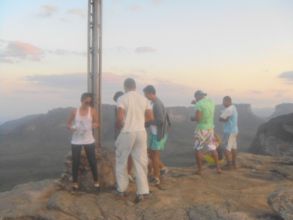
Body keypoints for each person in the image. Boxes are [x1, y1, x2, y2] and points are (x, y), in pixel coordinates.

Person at [115, 78, 153, 203]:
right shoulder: (144, 99)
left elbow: (120, 117)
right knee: (141, 161)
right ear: (135, 86)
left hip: (127, 132)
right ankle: (142, 191)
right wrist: (139, 122)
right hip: (141, 132)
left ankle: (122, 189)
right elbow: (150, 117)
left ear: (125, 86)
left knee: (121, 160)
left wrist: (120, 124)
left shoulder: (122, 98)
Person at [67, 93, 100, 190]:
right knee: (75, 161)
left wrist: (95, 125)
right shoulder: (74, 112)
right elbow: (68, 124)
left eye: (90, 102)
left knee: (92, 161)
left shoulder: (93, 111)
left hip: (88, 139)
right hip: (76, 140)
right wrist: (70, 128)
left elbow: (97, 123)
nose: (88, 104)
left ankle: (96, 182)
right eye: (86, 102)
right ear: (81, 100)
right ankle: (75, 183)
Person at [143, 85, 170, 185]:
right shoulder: (154, 103)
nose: (145, 96)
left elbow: (160, 120)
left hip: (158, 134)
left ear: (150, 93)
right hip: (156, 133)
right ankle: (162, 169)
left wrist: (148, 123)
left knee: (154, 156)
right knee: (151, 153)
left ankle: (156, 177)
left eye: (145, 94)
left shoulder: (157, 104)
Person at [191, 90, 221, 175]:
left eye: (195, 97)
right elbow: (204, 106)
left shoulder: (199, 104)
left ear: (197, 96)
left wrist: (192, 118)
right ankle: (218, 168)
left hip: (201, 129)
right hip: (210, 128)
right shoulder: (211, 101)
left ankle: (200, 170)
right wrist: (196, 102)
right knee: (212, 148)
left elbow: (198, 118)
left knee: (197, 149)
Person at [113, 91, 134, 182]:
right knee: (130, 154)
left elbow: (120, 120)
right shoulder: (130, 105)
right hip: (134, 132)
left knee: (123, 154)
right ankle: (128, 173)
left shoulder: (120, 106)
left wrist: (118, 126)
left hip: (124, 132)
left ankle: (124, 176)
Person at [219, 96, 238, 169]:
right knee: (233, 147)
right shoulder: (233, 107)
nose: (223, 103)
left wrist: (221, 117)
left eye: (224, 101)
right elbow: (225, 118)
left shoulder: (228, 110)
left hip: (229, 131)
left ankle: (229, 165)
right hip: (234, 131)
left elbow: (221, 119)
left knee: (225, 148)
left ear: (228, 101)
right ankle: (234, 164)